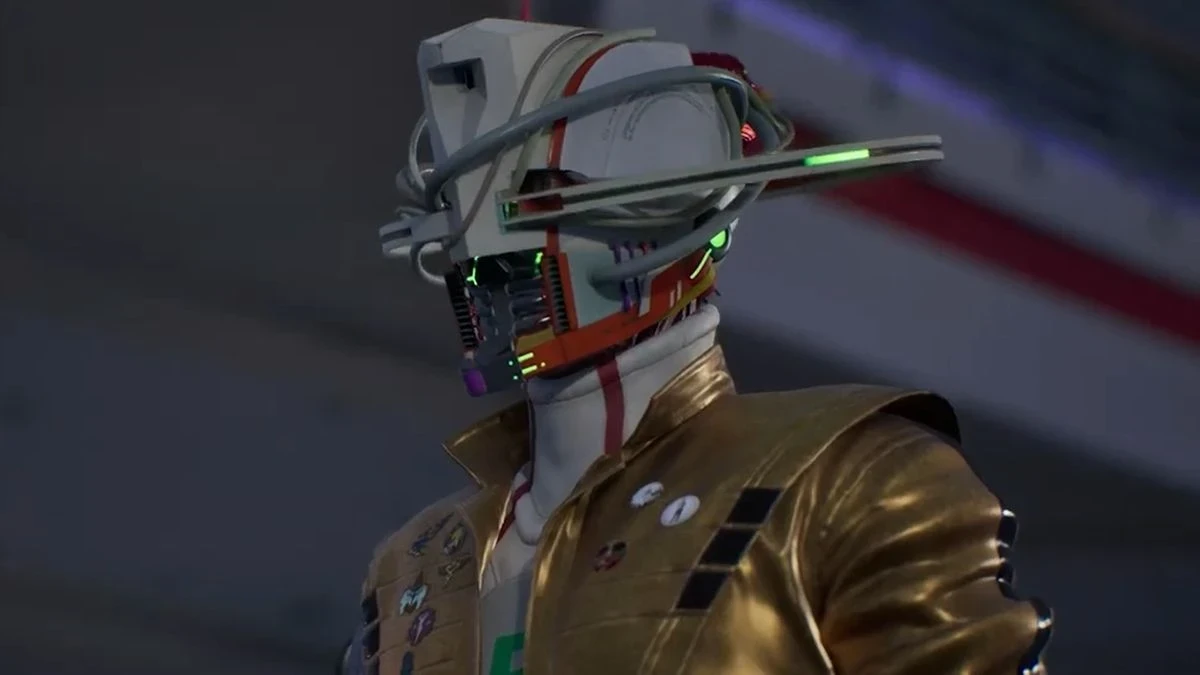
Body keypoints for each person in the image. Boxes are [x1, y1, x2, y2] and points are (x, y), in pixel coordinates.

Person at [342, 17, 1051, 675]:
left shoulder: (853, 479)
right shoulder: (416, 563)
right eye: (461, 215)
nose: (487, 263)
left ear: (671, 215)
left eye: (540, 198)